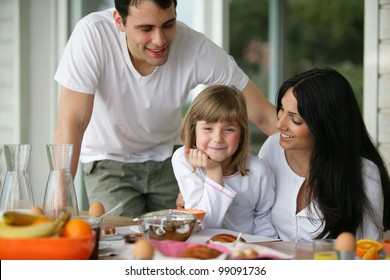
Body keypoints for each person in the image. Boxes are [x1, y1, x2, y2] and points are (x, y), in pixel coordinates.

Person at [53, 0, 277, 217]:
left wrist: (310, 164)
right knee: (124, 243)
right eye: (146, 28)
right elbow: (72, 123)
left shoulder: (195, 47)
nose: (159, 40)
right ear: (119, 21)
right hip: (109, 161)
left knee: (182, 239)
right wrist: (58, 205)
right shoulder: (93, 35)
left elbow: (265, 116)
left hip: (168, 158)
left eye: (168, 25)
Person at [258, 67, 390, 243]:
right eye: (281, 109)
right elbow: (257, 213)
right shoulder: (272, 147)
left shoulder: (364, 173)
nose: (280, 124)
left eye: (295, 119)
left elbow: (369, 250)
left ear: (325, 125)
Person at [172, 85, 277, 237]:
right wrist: (214, 171)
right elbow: (204, 225)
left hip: (245, 250)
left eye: (229, 130)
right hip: (203, 249)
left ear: (241, 135)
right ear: (194, 130)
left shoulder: (259, 171)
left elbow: (264, 219)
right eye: (208, 128)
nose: (217, 139)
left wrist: (261, 251)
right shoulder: (183, 159)